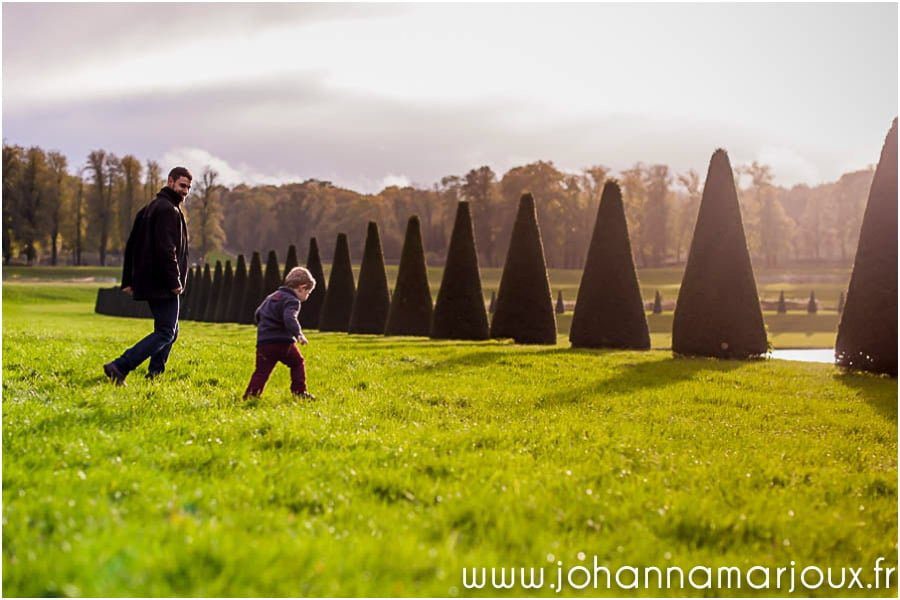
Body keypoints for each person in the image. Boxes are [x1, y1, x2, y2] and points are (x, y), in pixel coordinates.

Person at [103, 167, 192, 385]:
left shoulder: (149, 208)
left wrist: (128, 280)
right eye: (182, 185)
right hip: (163, 282)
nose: (185, 191)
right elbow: (166, 249)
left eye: (189, 187)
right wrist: (175, 282)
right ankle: (120, 366)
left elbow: (132, 246)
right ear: (170, 182)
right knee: (165, 332)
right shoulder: (167, 210)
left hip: (153, 280)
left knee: (171, 330)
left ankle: (154, 374)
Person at [243, 266, 316, 400]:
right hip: (282, 342)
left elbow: (258, 313)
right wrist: (298, 334)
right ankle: (299, 392)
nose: (307, 296)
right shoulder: (293, 301)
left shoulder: (271, 297)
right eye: (308, 292)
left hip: (264, 343)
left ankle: (250, 396)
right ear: (301, 287)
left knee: (261, 371)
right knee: (297, 362)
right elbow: (289, 318)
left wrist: (264, 328)